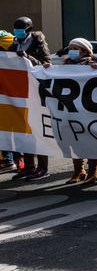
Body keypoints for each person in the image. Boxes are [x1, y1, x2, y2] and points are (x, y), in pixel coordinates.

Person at [48, 38, 97, 184]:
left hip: (87, 109)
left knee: (90, 139)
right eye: (70, 48)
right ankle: (79, 170)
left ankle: (93, 170)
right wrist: (48, 69)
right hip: (70, 108)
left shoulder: (93, 64)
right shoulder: (66, 65)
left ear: (84, 51)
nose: (71, 51)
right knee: (73, 139)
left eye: (75, 48)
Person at [7, 17, 51, 180]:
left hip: (35, 92)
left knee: (37, 130)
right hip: (20, 92)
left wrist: (27, 57)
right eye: (16, 29)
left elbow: (46, 64)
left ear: (29, 29)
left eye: (21, 29)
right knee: (24, 131)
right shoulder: (14, 44)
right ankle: (28, 166)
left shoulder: (38, 43)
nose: (17, 32)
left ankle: (42, 167)